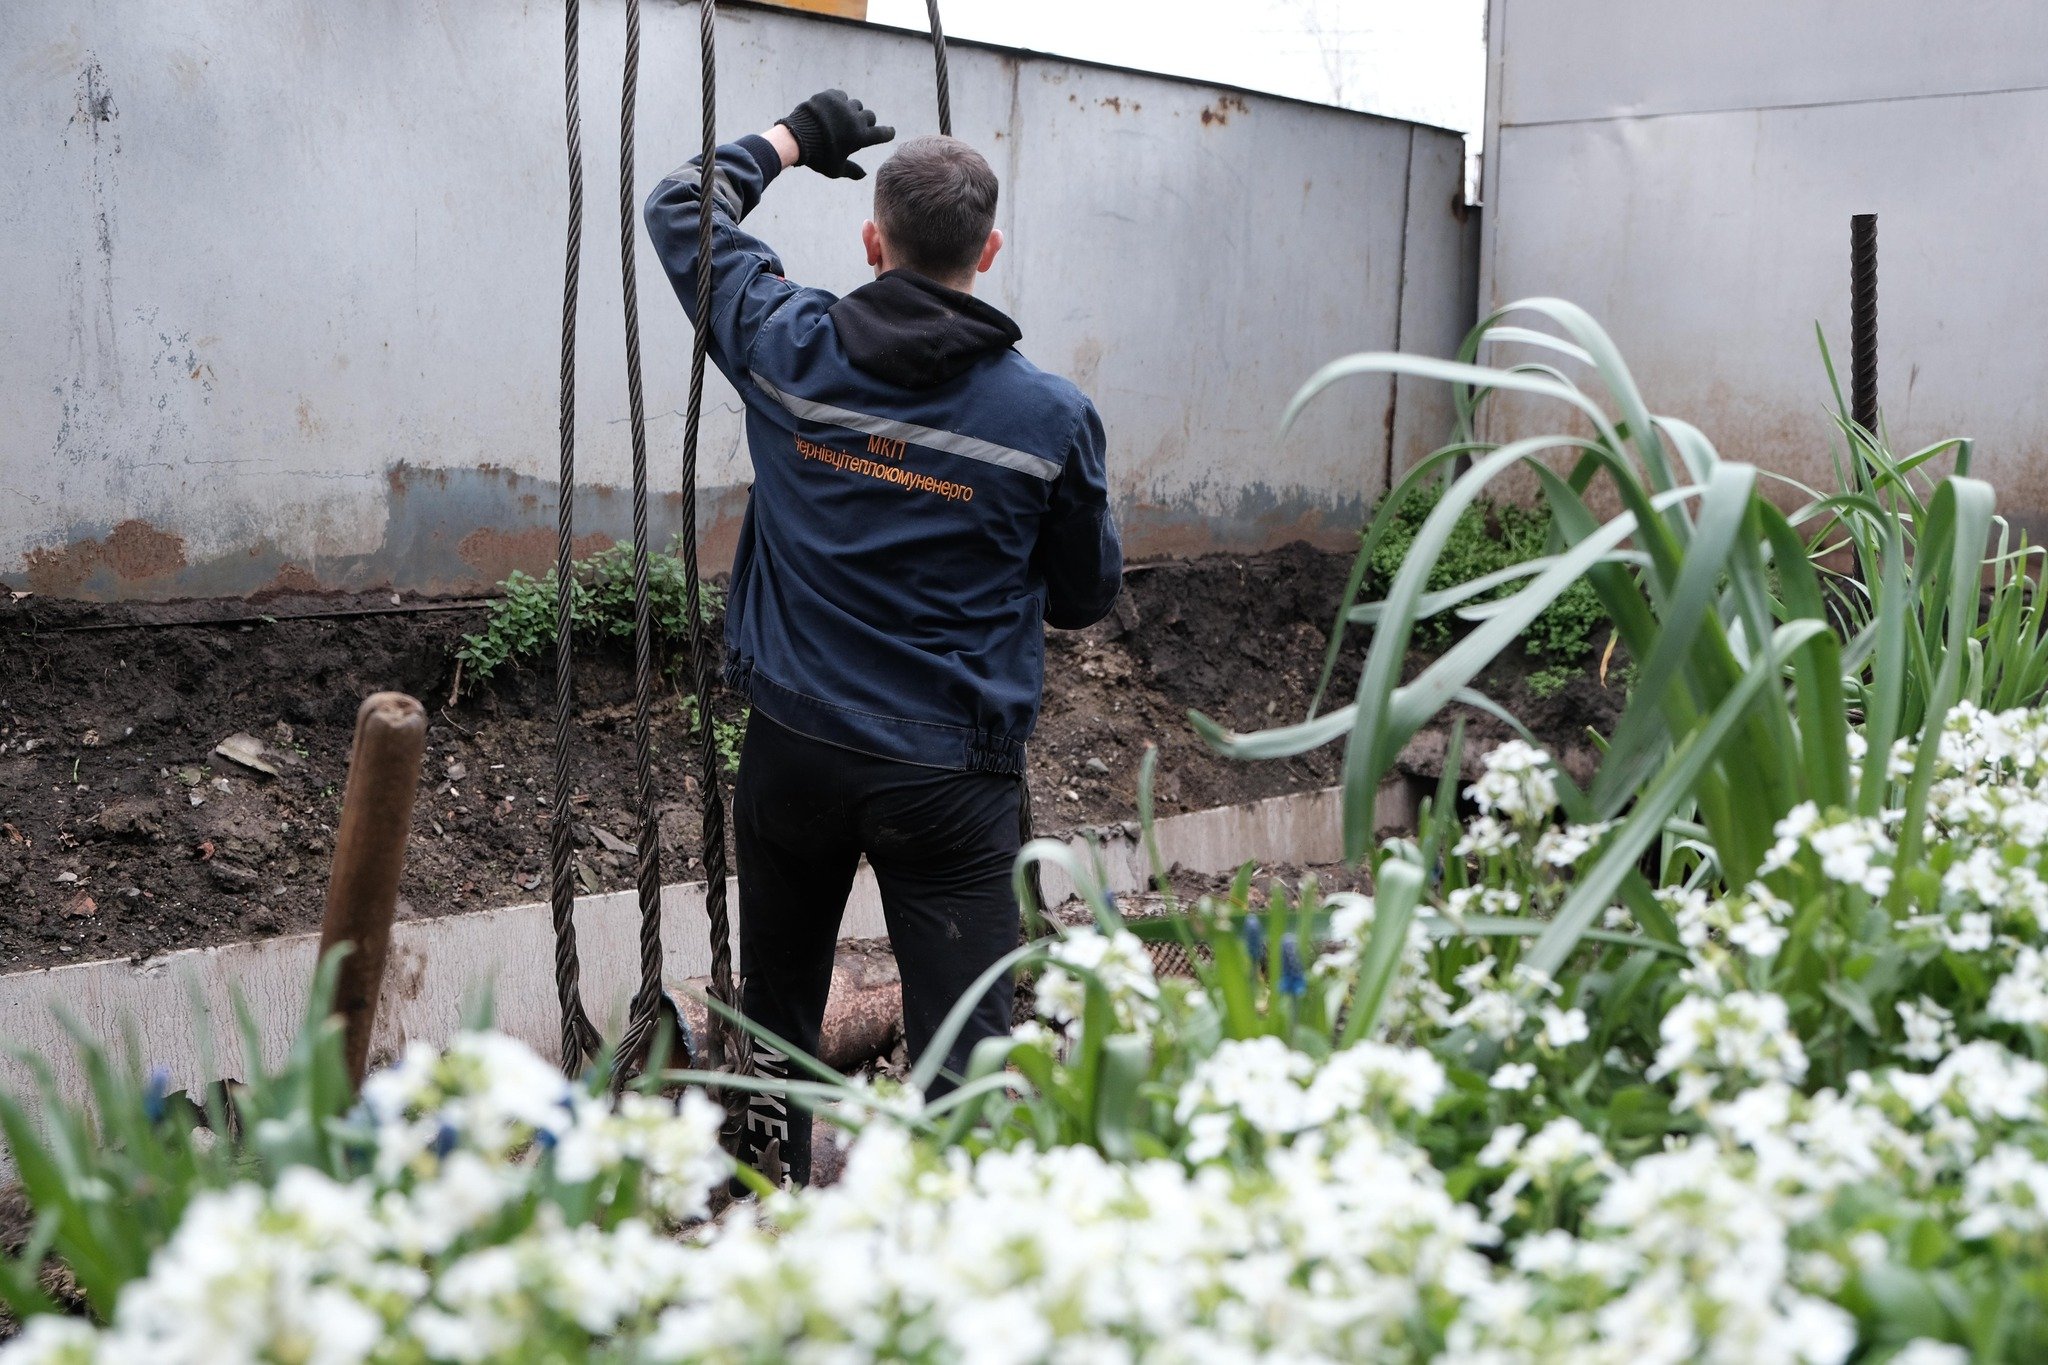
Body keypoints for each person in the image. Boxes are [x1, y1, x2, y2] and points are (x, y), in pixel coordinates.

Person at [644, 89, 1122, 1184]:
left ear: (873, 240)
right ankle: (949, 1247)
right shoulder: (1049, 420)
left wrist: (793, 140)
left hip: (793, 753)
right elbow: (1083, 597)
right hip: (947, 782)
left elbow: (682, 204)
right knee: (963, 1046)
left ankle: (762, 1196)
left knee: (777, 1011)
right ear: (987, 251)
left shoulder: (789, 349)